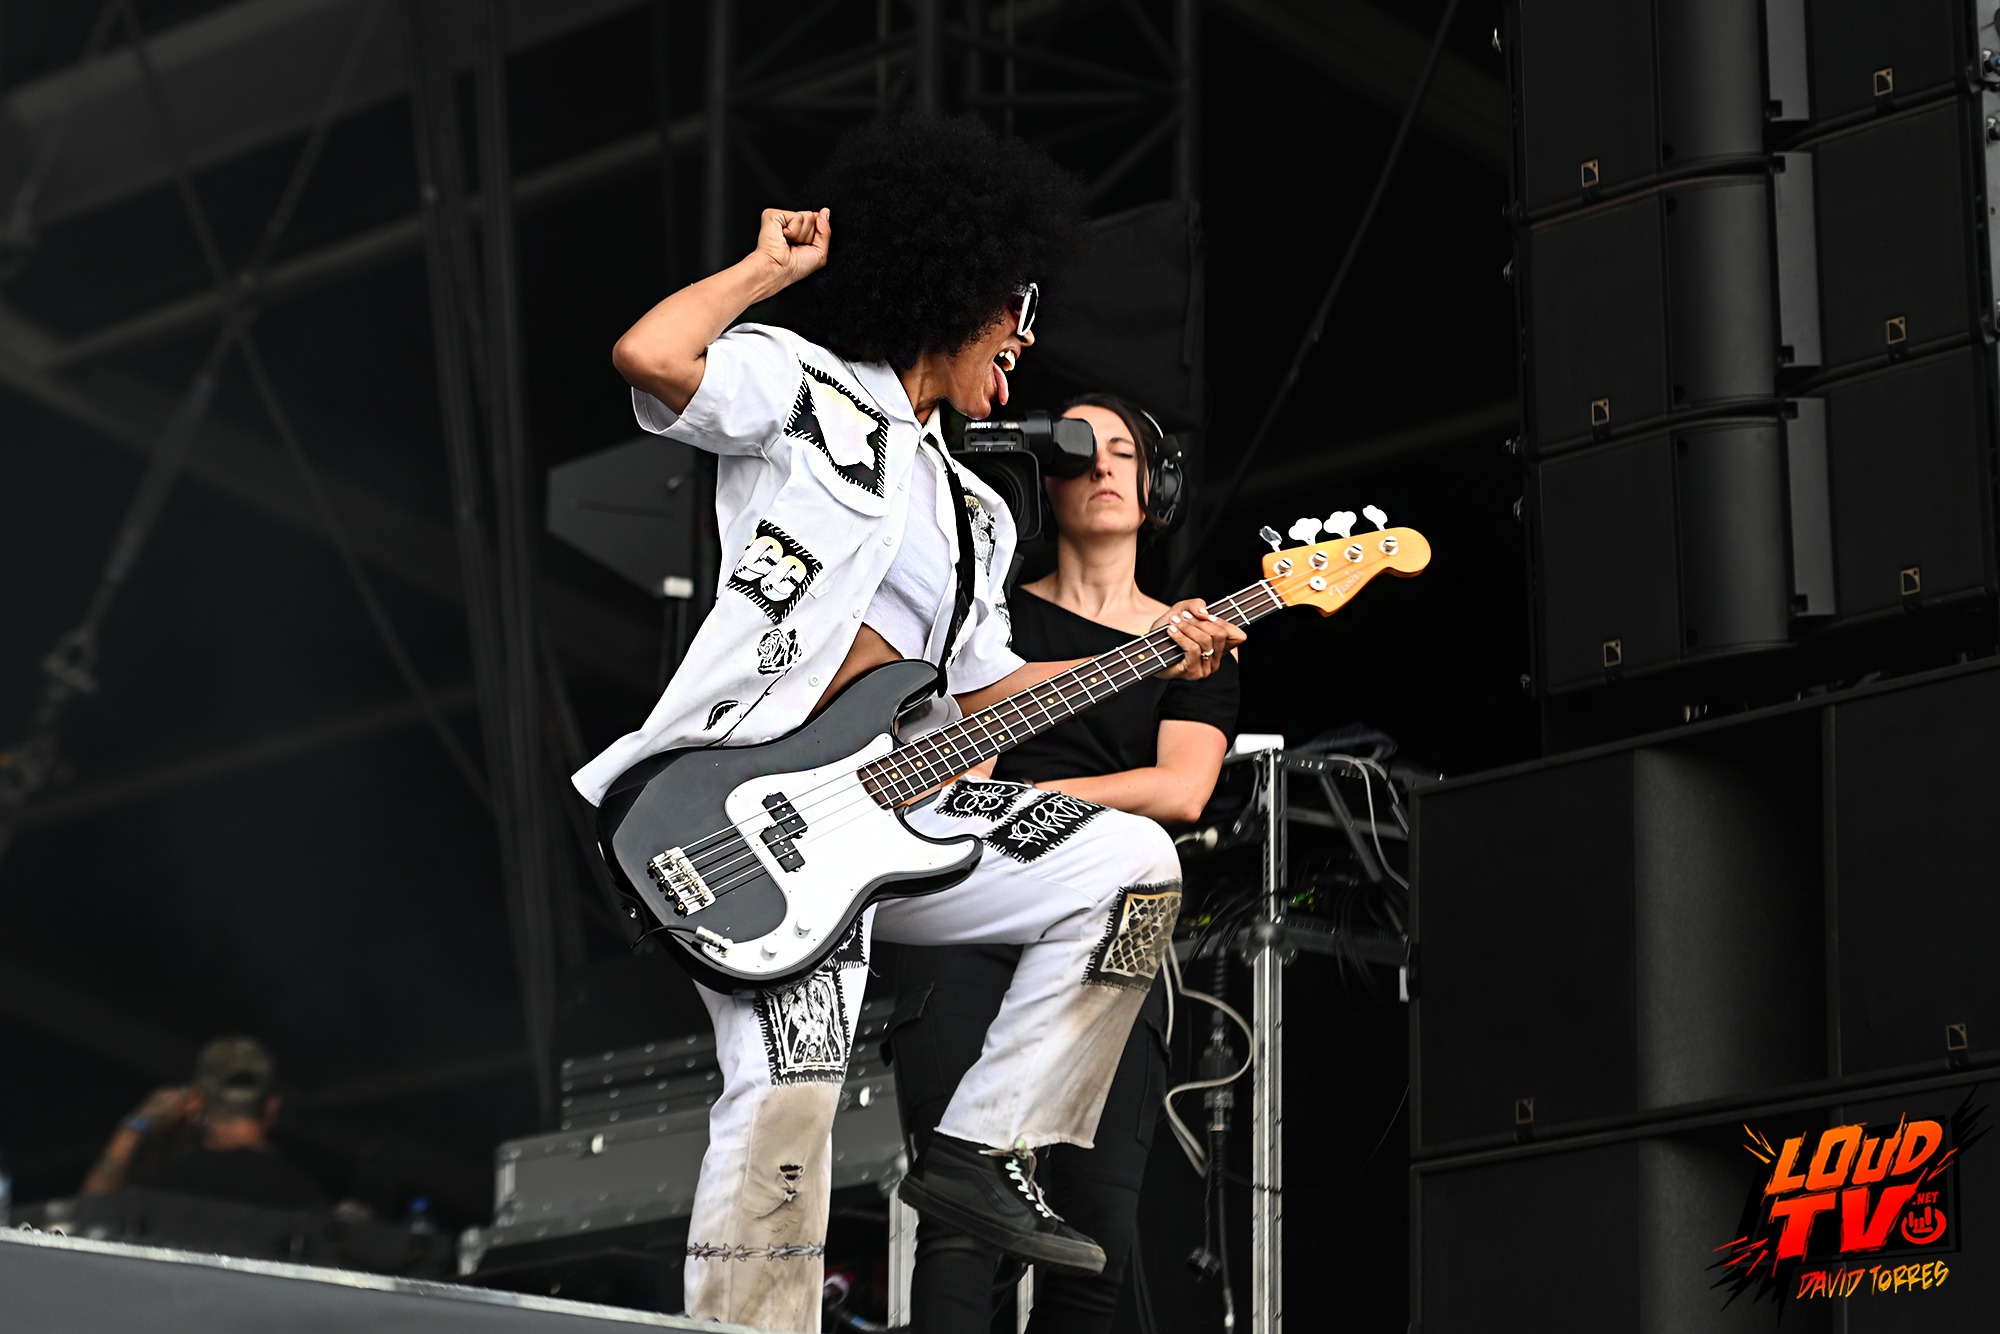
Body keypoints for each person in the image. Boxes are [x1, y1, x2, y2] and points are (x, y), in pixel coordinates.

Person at [573, 115, 1246, 1332]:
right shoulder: (805, 388)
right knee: (787, 1103)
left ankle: (978, 1152)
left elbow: (979, 698)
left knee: (1134, 866)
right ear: (952, 293)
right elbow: (650, 352)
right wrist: (770, 272)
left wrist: (1154, 656)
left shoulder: (981, 514)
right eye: (1013, 307)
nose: (1024, 341)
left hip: (895, 810)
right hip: (744, 810)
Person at [891, 395, 1238, 1333]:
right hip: (976, 917)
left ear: (1157, 483)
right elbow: (961, 773)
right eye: (1080, 449)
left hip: (1111, 930)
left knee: (1096, 1236)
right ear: (1048, 476)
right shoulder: (991, 621)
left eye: (1128, 450)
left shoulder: (1193, 639)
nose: (1104, 466)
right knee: (963, 1226)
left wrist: (1051, 808)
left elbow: (1181, 792)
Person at [81, 1036, 324, 1210]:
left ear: (196, 1104)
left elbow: (90, 1216)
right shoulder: (303, 1194)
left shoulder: (172, 1187)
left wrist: (133, 1127)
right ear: (272, 1108)